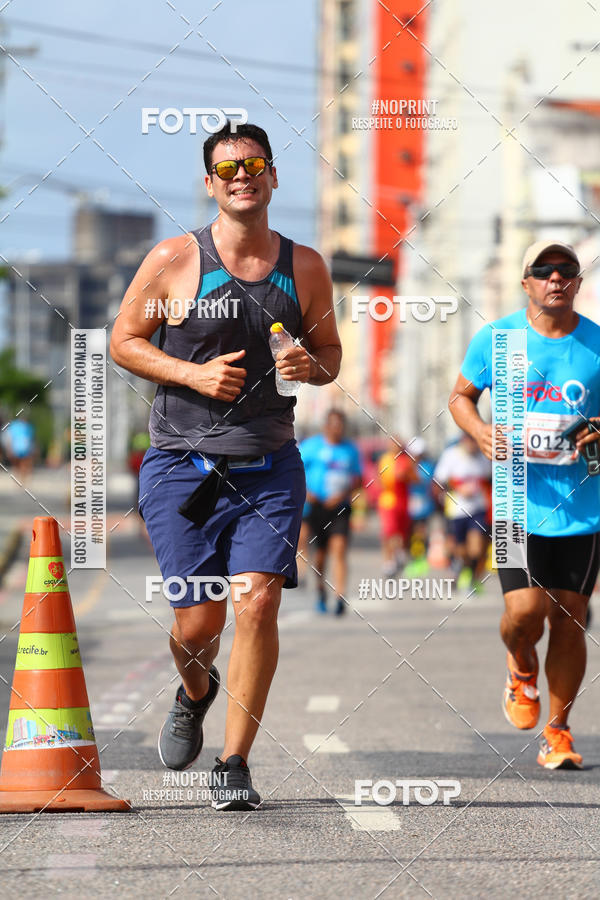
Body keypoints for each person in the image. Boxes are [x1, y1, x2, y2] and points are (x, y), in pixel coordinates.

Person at [110, 121, 341, 809]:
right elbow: (125, 339)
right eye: (229, 167)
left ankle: (235, 761)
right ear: (210, 184)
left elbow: (329, 355)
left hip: (269, 465)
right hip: (182, 466)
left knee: (258, 601)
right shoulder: (176, 259)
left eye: (256, 164)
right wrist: (191, 374)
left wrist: (311, 366)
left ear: (273, 177)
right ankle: (193, 691)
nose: (243, 175)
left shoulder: (305, 267)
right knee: (199, 624)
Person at [449, 240, 600, 769]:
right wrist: (482, 432)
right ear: (526, 281)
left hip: (584, 507)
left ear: (579, 282)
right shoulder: (500, 339)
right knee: (525, 613)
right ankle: (520, 664)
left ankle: (558, 731)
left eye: (566, 271)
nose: (555, 278)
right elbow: (460, 397)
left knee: (571, 618)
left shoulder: (597, 345)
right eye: (544, 270)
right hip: (516, 502)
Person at [299, 410, 362, 615]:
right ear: (326, 426)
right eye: (333, 425)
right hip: (315, 507)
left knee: (340, 548)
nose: (337, 429)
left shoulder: (350, 450)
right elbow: (294, 472)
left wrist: (344, 494)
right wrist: (307, 493)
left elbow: (358, 479)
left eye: (340, 425)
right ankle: (320, 591)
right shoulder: (311, 447)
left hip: (340, 507)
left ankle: (340, 595)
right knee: (320, 555)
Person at [433, 433, 491, 591]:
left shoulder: (484, 456)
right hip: (456, 510)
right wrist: (458, 488)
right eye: (470, 441)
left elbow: (490, 478)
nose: (473, 446)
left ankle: (471, 579)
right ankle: (459, 568)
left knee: (477, 547)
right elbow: (439, 481)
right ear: (464, 441)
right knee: (460, 549)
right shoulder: (451, 455)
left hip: (478, 509)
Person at [376, 436, 415, 577]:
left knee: (402, 533)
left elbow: (414, 478)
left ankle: (399, 554)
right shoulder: (385, 460)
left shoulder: (406, 460)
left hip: (403, 502)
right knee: (389, 532)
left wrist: (406, 476)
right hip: (388, 501)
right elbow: (381, 479)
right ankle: (389, 561)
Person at [406, 436, 436, 576]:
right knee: (409, 533)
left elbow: (419, 480)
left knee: (420, 532)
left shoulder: (427, 466)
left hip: (423, 505)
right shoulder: (407, 464)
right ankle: (412, 558)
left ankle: (419, 559)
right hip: (408, 504)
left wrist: (408, 472)